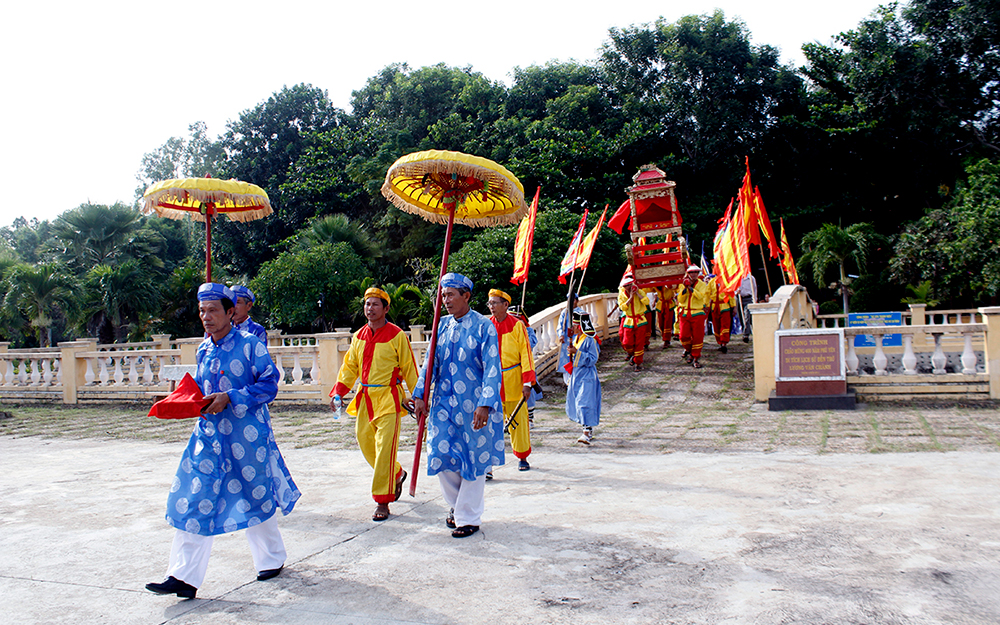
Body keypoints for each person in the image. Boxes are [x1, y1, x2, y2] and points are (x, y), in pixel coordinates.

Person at [146, 283, 300, 600]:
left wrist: (231, 397)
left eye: (213, 310)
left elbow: (270, 385)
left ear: (231, 312)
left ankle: (272, 558)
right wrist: (181, 400)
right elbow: (202, 389)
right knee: (193, 497)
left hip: (247, 436)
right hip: (208, 438)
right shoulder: (204, 349)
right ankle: (182, 576)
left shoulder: (249, 345)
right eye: (202, 311)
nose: (207, 317)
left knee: (254, 495)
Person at [412, 273, 503, 538]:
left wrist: (485, 403)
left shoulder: (484, 326)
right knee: (441, 454)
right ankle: (457, 507)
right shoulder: (441, 325)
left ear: (466, 296)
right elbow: (430, 363)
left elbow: (492, 367)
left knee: (473, 459)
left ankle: (468, 518)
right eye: (443, 295)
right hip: (443, 404)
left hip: (473, 404)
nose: (445, 300)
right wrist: (420, 394)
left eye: (451, 294)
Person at [330, 287, 418, 522]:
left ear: (386, 309)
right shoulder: (358, 336)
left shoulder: (397, 335)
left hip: (389, 399)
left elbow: (409, 367)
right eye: (367, 304)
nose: (370, 309)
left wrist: (418, 397)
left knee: (385, 451)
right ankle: (397, 473)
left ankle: (382, 501)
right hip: (365, 398)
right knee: (366, 444)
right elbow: (350, 367)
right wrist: (338, 392)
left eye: (375, 304)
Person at [486, 289, 536, 472]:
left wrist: (527, 383)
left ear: (505, 305)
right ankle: (488, 463)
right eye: (489, 303)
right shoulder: (486, 326)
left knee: (519, 421)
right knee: (490, 423)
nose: (491, 307)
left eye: (494, 303)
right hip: (493, 381)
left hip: (514, 378)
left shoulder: (517, 325)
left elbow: (526, 354)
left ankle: (522, 457)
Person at [566, 312, 601, 445]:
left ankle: (587, 432)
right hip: (577, 374)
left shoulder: (589, 339)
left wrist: (577, 352)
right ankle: (586, 428)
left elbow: (593, 358)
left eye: (575, 325)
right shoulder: (576, 339)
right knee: (577, 401)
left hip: (587, 375)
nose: (573, 327)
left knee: (585, 402)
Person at [508, 305, 542, 429]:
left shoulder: (528, 330)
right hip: (511, 367)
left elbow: (532, 343)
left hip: (525, 365)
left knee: (529, 391)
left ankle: (530, 418)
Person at [677, 265, 712, 369]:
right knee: (683, 336)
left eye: (696, 272)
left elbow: (701, 296)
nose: (693, 274)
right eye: (691, 272)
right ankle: (689, 350)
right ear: (688, 273)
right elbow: (680, 299)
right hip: (684, 313)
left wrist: (691, 288)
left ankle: (695, 357)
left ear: (698, 273)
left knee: (697, 337)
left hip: (697, 313)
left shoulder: (702, 284)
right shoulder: (682, 284)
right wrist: (685, 289)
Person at [617, 271, 649, 371]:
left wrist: (637, 294)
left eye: (629, 284)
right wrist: (630, 297)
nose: (628, 287)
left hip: (640, 320)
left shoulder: (640, 291)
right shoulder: (622, 295)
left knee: (639, 343)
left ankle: (638, 363)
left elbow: (646, 302)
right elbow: (623, 308)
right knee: (627, 342)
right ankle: (632, 355)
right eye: (626, 285)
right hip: (629, 320)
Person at [706, 268, 737, 354]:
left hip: (724, 306)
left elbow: (731, 294)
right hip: (714, 307)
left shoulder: (726, 281)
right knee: (716, 325)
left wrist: (733, 306)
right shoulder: (711, 282)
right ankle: (720, 342)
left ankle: (724, 343)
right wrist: (706, 306)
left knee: (725, 325)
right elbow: (707, 295)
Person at [557, 293, 585, 385]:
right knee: (566, 359)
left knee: (576, 358)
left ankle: (577, 380)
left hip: (577, 338)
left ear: (577, 300)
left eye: (573, 300)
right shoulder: (564, 312)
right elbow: (560, 325)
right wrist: (561, 334)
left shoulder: (581, 312)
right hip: (566, 339)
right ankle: (567, 382)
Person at [652, 284, 678, 349]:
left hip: (669, 305)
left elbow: (675, 286)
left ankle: (667, 340)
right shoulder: (655, 282)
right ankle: (664, 336)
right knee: (660, 324)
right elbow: (648, 289)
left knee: (667, 323)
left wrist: (670, 285)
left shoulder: (670, 280)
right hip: (660, 304)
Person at [738, 273, 758, 342]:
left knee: (747, 316)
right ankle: (744, 330)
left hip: (748, 298)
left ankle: (746, 334)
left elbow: (755, 289)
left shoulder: (751, 278)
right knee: (741, 316)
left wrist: (755, 299)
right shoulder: (737, 277)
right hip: (739, 298)